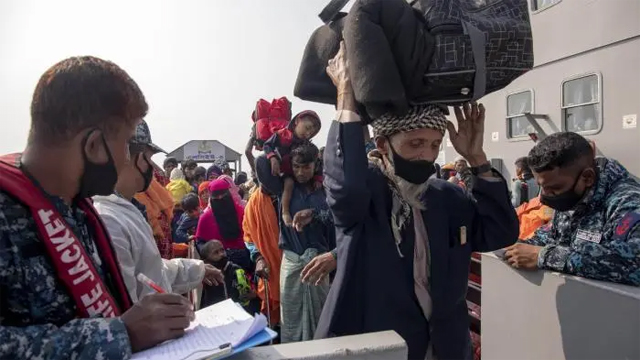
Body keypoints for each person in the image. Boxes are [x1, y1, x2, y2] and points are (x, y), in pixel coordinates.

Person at [316, 43, 518, 360]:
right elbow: (346, 188)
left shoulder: (447, 197)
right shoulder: (368, 194)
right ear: (383, 145)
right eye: (415, 144)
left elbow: (500, 233)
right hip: (381, 348)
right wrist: (346, 95)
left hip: (444, 347)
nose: (426, 155)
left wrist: (477, 158)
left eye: (435, 145)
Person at [0, 56, 195, 359]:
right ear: (92, 145)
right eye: (126, 143)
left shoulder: (79, 210)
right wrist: (120, 334)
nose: (126, 159)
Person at [93, 122, 223, 302]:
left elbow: (151, 270)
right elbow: (130, 306)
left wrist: (196, 270)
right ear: (135, 157)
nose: (153, 168)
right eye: (149, 157)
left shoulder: (127, 210)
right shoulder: (109, 220)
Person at [504, 132, 640, 286]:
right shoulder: (574, 196)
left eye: (554, 188)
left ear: (587, 178)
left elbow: (634, 261)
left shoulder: (628, 202)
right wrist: (513, 247)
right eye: (542, 187)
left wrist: (545, 257)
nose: (544, 197)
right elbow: (550, 237)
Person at [256, 141, 337, 343]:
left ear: (315, 165)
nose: (301, 172)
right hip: (291, 262)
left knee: (321, 318)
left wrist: (314, 214)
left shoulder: (325, 188)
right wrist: (274, 156)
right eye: (296, 167)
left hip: (319, 264)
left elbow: (335, 219)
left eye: (306, 167)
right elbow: (260, 163)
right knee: (290, 319)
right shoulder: (282, 187)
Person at [262, 110, 322, 227]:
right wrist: (272, 157)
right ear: (297, 121)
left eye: (312, 132)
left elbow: (318, 163)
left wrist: (318, 179)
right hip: (286, 171)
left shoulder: (308, 146)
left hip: (303, 178)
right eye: (307, 127)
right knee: (288, 184)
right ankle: (285, 212)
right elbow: (267, 145)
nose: (308, 133)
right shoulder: (282, 135)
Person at [243, 182, 283, 328]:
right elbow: (248, 236)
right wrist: (258, 257)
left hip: (296, 265)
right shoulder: (254, 203)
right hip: (270, 268)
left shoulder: (293, 194)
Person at [195, 179, 251, 271]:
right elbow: (200, 242)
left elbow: (251, 237)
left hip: (245, 264)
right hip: (218, 268)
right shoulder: (205, 218)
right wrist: (212, 253)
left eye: (223, 196)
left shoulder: (242, 213)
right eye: (216, 197)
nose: (220, 198)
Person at [199, 240, 260, 314]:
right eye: (216, 252)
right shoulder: (203, 277)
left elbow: (251, 293)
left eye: (222, 250)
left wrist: (253, 295)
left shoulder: (236, 270)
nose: (221, 254)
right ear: (206, 261)